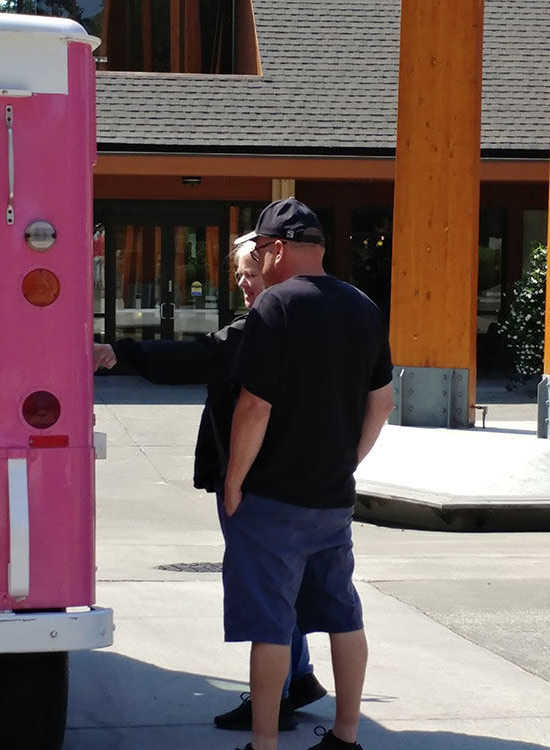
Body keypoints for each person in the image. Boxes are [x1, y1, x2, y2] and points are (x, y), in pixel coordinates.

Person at [107, 236, 327, 730]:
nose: (245, 284)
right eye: (240, 276)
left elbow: (202, 357)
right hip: (295, 477)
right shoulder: (312, 319)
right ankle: (300, 675)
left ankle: (277, 699)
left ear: (276, 265)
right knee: (285, 586)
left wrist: (118, 353)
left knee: (268, 592)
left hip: (257, 480)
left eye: (251, 272)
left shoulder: (266, 325)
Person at [222, 198, 394, 750]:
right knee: (343, 614)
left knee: (271, 624)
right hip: (332, 497)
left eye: (260, 250)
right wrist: (348, 461)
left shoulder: (275, 308)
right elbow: (383, 401)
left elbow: (255, 406)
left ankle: (265, 743)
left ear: (275, 250)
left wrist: (233, 481)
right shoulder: (364, 308)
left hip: (272, 496)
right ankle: (345, 736)